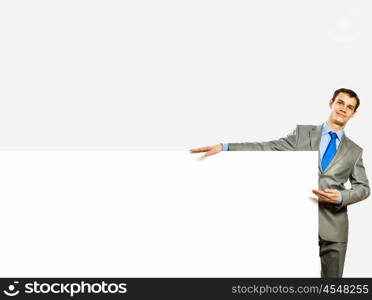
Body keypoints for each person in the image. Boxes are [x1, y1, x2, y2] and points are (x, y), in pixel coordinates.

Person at [190, 88, 370, 278]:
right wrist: (225, 147)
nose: (344, 109)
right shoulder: (303, 133)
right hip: (294, 222)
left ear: (353, 113)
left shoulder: (355, 151)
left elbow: (364, 188)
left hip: (334, 228)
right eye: (340, 102)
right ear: (331, 103)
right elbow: (268, 147)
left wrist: (342, 196)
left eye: (349, 107)